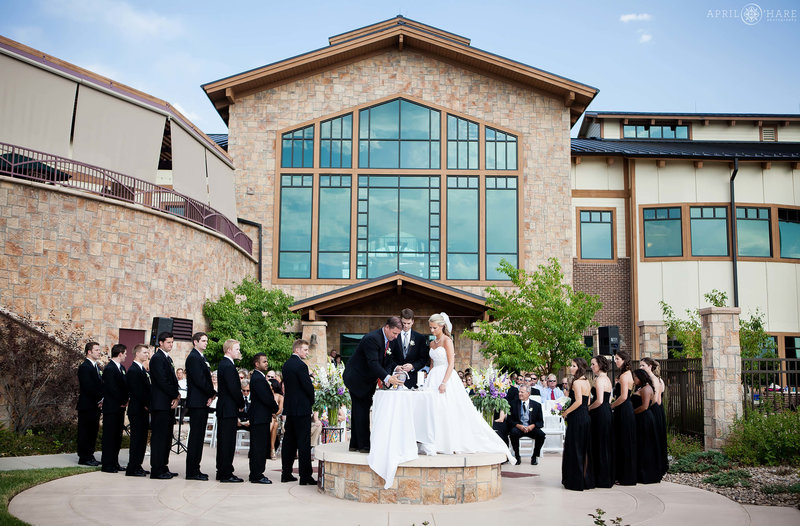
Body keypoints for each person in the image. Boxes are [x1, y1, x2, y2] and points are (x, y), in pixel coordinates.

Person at [420, 313, 514, 461]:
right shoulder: (432, 343)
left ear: (442, 326)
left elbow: (451, 363)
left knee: (445, 409)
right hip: (433, 377)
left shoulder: (447, 341)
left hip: (446, 376)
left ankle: (448, 442)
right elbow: (432, 364)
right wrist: (428, 379)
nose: (432, 330)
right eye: (430, 328)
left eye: (434, 328)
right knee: (432, 410)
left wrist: (444, 382)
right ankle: (433, 441)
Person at [342, 318, 403, 453]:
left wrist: (396, 367)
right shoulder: (372, 339)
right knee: (361, 409)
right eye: (394, 333)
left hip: (368, 378)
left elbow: (387, 361)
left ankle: (355, 444)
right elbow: (373, 363)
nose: (396, 336)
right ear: (387, 327)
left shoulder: (390, 341)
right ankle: (364, 446)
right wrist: (387, 377)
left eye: (398, 334)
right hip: (356, 377)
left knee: (360, 408)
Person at [281, 339, 317, 485]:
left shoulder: (286, 365)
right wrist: (312, 399)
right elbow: (307, 387)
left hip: (290, 407)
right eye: (305, 350)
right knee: (303, 442)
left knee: (289, 441)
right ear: (297, 350)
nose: (307, 353)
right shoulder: (301, 366)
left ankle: (286, 473)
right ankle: (305, 476)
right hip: (301, 408)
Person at [184, 331, 215, 481]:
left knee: (199, 437)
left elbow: (207, 377)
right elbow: (199, 380)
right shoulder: (193, 358)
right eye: (203, 341)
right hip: (197, 401)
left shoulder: (203, 358)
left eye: (206, 341)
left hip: (203, 400)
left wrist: (210, 395)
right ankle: (192, 470)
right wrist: (212, 393)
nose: (206, 343)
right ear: (195, 342)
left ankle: (196, 468)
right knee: (195, 437)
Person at [149, 332, 180, 479]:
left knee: (167, 437)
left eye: (172, 342)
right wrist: (174, 394)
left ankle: (163, 466)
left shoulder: (167, 358)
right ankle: (156, 469)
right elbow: (162, 381)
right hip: (160, 403)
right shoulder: (157, 358)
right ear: (160, 343)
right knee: (159, 437)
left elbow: (172, 380)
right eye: (168, 342)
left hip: (168, 403)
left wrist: (177, 396)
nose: (171, 345)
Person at [561, 357, 594, 491]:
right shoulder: (587, 382)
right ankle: (584, 479)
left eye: (573, 366)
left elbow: (579, 401)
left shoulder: (576, 383)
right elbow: (588, 403)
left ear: (579, 368)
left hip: (577, 418)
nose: (571, 368)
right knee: (583, 449)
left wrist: (566, 412)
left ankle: (575, 480)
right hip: (586, 417)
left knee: (575, 448)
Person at [216, 339, 245, 483]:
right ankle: (225, 473)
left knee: (225, 441)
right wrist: (241, 403)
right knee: (227, 442)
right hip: (228, 408)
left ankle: (222, 470)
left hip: (226, 408)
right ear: (229, 350)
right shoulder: (227, 366)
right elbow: (233, 388)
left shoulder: (226, 364)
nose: (239, 351)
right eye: (237, 349)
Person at [249, 352, 279, 484]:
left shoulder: (259, 377)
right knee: (258, 446)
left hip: (262, 416)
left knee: (261, 445)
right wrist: (275, 408)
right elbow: (266, 398)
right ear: (257, 364)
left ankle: (257, 472)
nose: (267, 363)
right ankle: (257, 474)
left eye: (267, 361)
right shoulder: (257, 378)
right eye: (264, 361)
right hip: (259, 417)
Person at [101, 343, 128, 473]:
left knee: (117, 436)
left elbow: (124, 385)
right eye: (125, 353)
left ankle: (115, 462)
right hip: (111, 407)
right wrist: (122, 400)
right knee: (109, 436)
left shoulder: (121, 368)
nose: (126, 356)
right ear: (120, 353)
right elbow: (112, 389)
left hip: (120, 408)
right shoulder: (109, 368)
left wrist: (126, 399)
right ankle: (107, 464)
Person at [610, 350, 637, 486]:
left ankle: (625, 476)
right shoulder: (626, 374)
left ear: (625, 360)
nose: (616, 361)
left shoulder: (625, 376)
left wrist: (612, 406)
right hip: (624, 408)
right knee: (622, 441)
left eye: (618, 359)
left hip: (624, 409)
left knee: (624, 441)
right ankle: (622, 474)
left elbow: (624, 396)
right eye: (615, 359)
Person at [632, 369, 662, 484]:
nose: (634, 379)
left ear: (641, 377)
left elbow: (644, 406)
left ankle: (646, 474)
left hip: (644, 419)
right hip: (642, 418)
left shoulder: (646, 389)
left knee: (646, 445)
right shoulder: (641, 388)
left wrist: (632, 413)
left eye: (635, 377)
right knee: (642, 445)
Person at [588, 355, 614, 488]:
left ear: (600, 365)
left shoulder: (599, 380)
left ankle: (600, 477)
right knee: (604, 443)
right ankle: (605, 476)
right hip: (606, 412)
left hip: (599, 413)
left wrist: (588, 409)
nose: (591, 367)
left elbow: (599, 400)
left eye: (593, 364)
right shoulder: (608, 380)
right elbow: (609, 400)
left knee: (599, 443)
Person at [125, 344, 151, 477]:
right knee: (136, 439)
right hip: (137, 409)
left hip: (143, 409)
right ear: (137, 354)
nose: (147, 355)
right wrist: (147, 404)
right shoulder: (134, 370)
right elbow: (137, 391)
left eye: (147, 353)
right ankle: (132, 467)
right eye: (145, 352)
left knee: (142, 440)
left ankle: (138, 465)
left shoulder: (142, 369)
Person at [76, 341, 104, 466]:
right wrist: (100, 399)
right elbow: (88, 387)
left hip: (95, 405)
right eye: (97, 350)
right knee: (85, 431)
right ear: (89, 351)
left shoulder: (96, 367)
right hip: (87, 405)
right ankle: (84, 457)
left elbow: (99, 385)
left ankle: (90, 455)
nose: (99, 352)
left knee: (93, 431)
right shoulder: (84, 367)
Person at [641, 357, 668, 477]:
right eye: (640, 365)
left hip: (655, 409)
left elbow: (657, 399)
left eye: (643, 366)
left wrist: (645, 406)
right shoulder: (651, 379)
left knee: (656, 437)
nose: (641, 368)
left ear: (650, 367)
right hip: (654, 409)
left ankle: (657, 466)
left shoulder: (654, 379)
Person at [391, 308, 431, 388]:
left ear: (413, 321)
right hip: (395, 377)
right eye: (403, 323)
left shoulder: (420, 338)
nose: (406, 326)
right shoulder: (393, 336)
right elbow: (388, 356)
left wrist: (413, 366)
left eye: (408, 323)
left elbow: (423, 359)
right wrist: (395, 367)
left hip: (412, 379)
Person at [508, 385, 545, 465]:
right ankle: (517, 456)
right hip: (519, 427)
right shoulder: (513, 404)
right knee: (513, 433)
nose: (519, 394)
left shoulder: (536, 405)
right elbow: (509, 420)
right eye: (519, 392)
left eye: (522, 392)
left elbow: (540, 422)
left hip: (531, 428)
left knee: (541, 435)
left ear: (528, 393)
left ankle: (535, 456)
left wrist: (532, 426)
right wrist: (518, 426)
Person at [269, 378, 284, 458]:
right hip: (268, 417)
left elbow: (280, 410)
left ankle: (271, 448)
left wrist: (274, 414)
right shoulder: (266, 395)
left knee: (275, 421)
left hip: (276, 417)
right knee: (274, 424)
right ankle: (272, 449)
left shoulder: (280, 397)